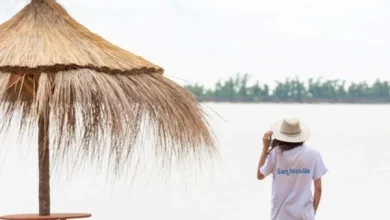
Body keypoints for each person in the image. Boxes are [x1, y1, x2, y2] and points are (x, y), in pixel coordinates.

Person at [257, 118, 328, 220]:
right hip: (305, 216)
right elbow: (318, 189)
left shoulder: (276, 153)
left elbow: (260, 175)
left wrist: (265, 148)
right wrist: (312, 213)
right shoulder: (313, 154)